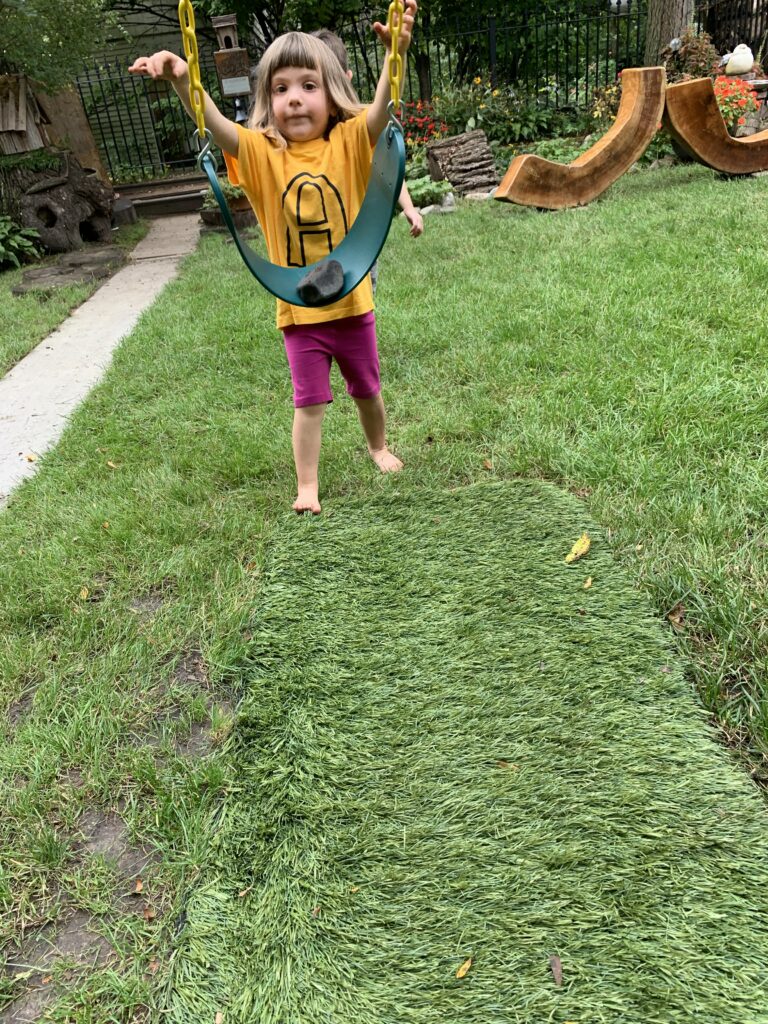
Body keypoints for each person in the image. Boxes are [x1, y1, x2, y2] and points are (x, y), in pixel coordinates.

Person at [128, 1, 417, 515]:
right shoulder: (262, 153)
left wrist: (396, 54)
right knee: (308, 403)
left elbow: (380, 111)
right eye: (280, 89)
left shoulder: (351, 141)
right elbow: (216, 124)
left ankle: (377, 446)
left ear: (332, 93)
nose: (295, 99)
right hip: (299, 313)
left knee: (367, 389)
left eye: (309, 85)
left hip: (353, 306)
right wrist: (181, 79)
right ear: (267, 99)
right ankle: (307, 486)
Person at [311, 28, 423, 294]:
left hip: (359, 236)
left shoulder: (362, 124)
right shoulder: (304, 132)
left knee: (359, 294)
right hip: (316, 237)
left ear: (347, 78)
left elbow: (389, 170)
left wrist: (408, 206)